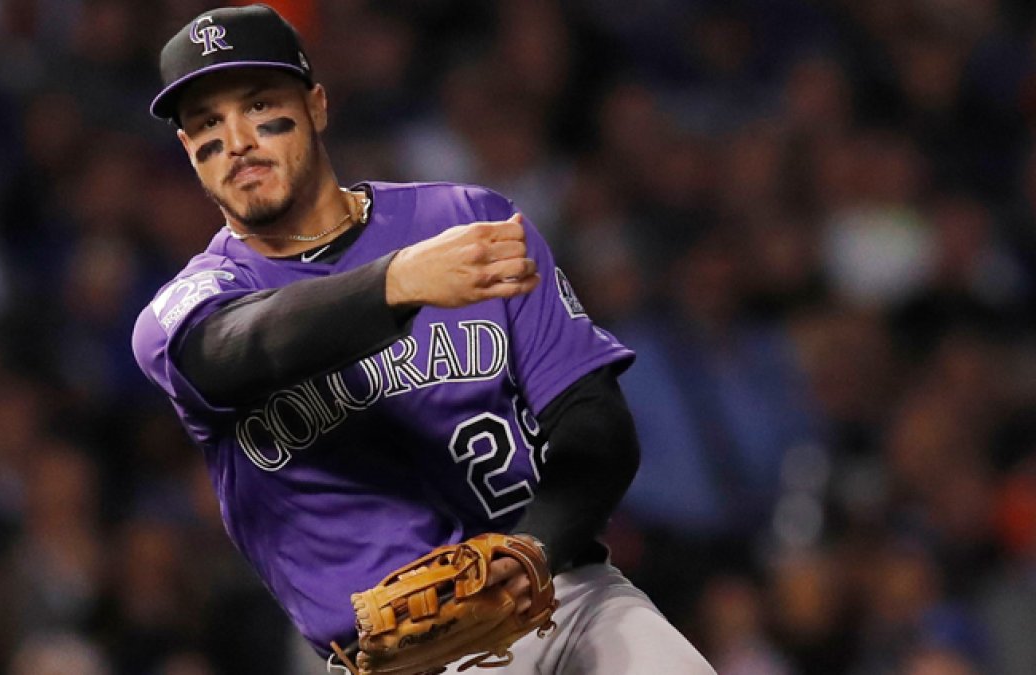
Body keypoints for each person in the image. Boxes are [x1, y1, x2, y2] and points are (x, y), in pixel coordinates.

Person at [131, 5, 714, 673]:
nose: (236, 139)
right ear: (187, 150)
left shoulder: (467, 218)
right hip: (399, 658)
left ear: (317, 105)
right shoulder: (188, 305)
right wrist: (396, 282)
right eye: (206, 122)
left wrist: (533, 550)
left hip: (560, 592)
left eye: (259, 104)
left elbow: (596, 421)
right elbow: (237, 349)